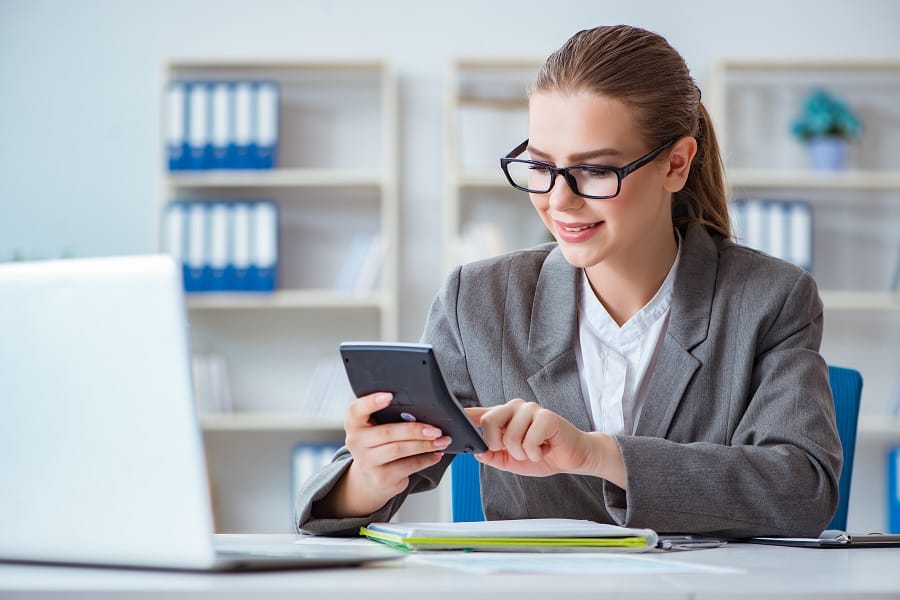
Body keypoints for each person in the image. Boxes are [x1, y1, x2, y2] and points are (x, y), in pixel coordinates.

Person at [294, 24, 841, 538]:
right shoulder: (477, 300)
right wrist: (371, 474)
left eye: (596, 170)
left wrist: (599, 454)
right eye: (540, 166)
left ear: (676, 164)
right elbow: (336, 506)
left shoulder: (771, 298)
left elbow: (802, 490)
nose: (558, 200)